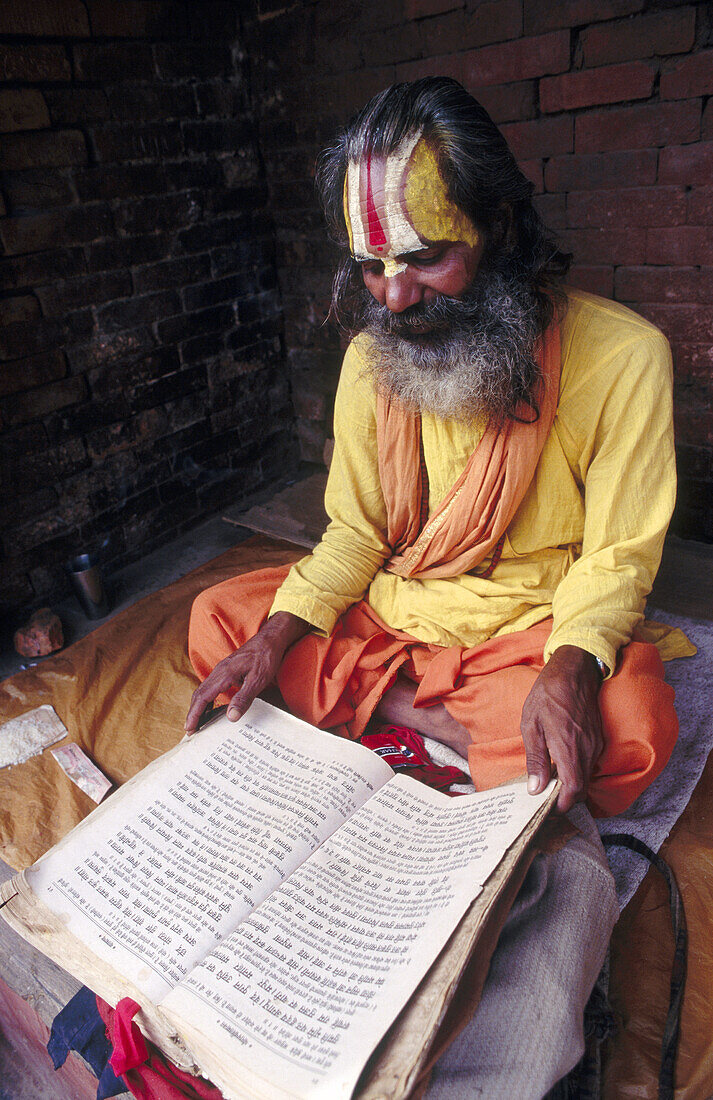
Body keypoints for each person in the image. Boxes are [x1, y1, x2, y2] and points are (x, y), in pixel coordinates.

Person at [186, 78, 682, 1095]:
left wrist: (569, 667)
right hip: (400, 621)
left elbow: (618, 556)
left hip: (525, 638)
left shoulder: (621, 355)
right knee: (221, 619)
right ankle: (438, 718)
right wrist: (277, 638)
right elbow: (353, 534)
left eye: (423, 256)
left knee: (629, 715)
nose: (394, 296)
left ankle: (418, 716)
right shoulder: (372, 363)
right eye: (368, 266)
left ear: (498, 222)